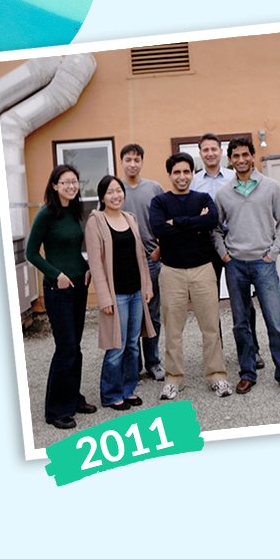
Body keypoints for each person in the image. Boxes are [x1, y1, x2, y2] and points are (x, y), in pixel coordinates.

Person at [212, 137, 280, 396]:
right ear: (230, 160)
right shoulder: (223, 194)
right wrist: (224, 255)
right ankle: (247, 373)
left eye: (244, 155)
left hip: (264, 264)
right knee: (240, 323)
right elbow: (216, 229)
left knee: (275, 321)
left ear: (252, 156)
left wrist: (273, 253)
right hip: (236, 265)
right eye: (235, 156)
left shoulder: (270, 187)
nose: (240, 160)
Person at [149, 153, 231, 400]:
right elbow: (159, 228)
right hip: (172, 271)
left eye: (186, 172)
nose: (182, 177)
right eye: (177, 172)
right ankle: (173, 379)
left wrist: (178, 223)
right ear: (170, 175)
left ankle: (216, 375)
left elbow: (212, 220)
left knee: (210, 327)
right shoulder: (159, 202)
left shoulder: (203, 198)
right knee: (173, 329)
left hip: (203, 269)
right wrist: (195, 223)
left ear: (191, 174)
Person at [29, 165, 96, 429]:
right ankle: (55, 410)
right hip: (59, 290)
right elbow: (33, 253)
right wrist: (56, 274)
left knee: (75, 347)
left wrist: (87, 267)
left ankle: (73, 397)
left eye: (75, 181)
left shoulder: (75, 211)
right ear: (55, 185)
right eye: (65, 182)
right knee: (65, 348)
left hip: (79, 285)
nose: (71, 186)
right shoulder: (46, 214)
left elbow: (74, 248)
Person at [191, 133, 264, 372]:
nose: (210, 153)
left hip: (234, 245)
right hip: (204, 247)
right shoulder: (193, 182)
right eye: (205, 150)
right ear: (200, 153)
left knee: (242, 301)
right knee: (209, 302)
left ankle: (252, 349)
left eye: (214, 149)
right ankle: (216, 353)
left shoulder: (236, 176)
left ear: (221, 152)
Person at [85, 176, 155, 410]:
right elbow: (95, 263)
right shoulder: (96, 221)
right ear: (102, 197)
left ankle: (128, 389)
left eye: (119, 191)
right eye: (110, 192)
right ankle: (111, 393)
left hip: (136, 291)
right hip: (116, 295)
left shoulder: (130, 218)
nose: (116, 195)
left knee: (133, 344)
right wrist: (104, 297)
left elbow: (142, 258)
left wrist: (147, 287)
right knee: (117, 345)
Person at [118, 143, 165, 381]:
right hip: (126, 264)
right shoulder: (115, 189)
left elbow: (167, 220)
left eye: (137, 159)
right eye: (128, 159)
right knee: (131, 316)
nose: (133, 164)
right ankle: (132, 365)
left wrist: (160, 249)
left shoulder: (154, 188)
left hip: (151, 260)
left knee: (153, 314)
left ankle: (153, 362)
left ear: (142, 162)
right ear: (122, 162)